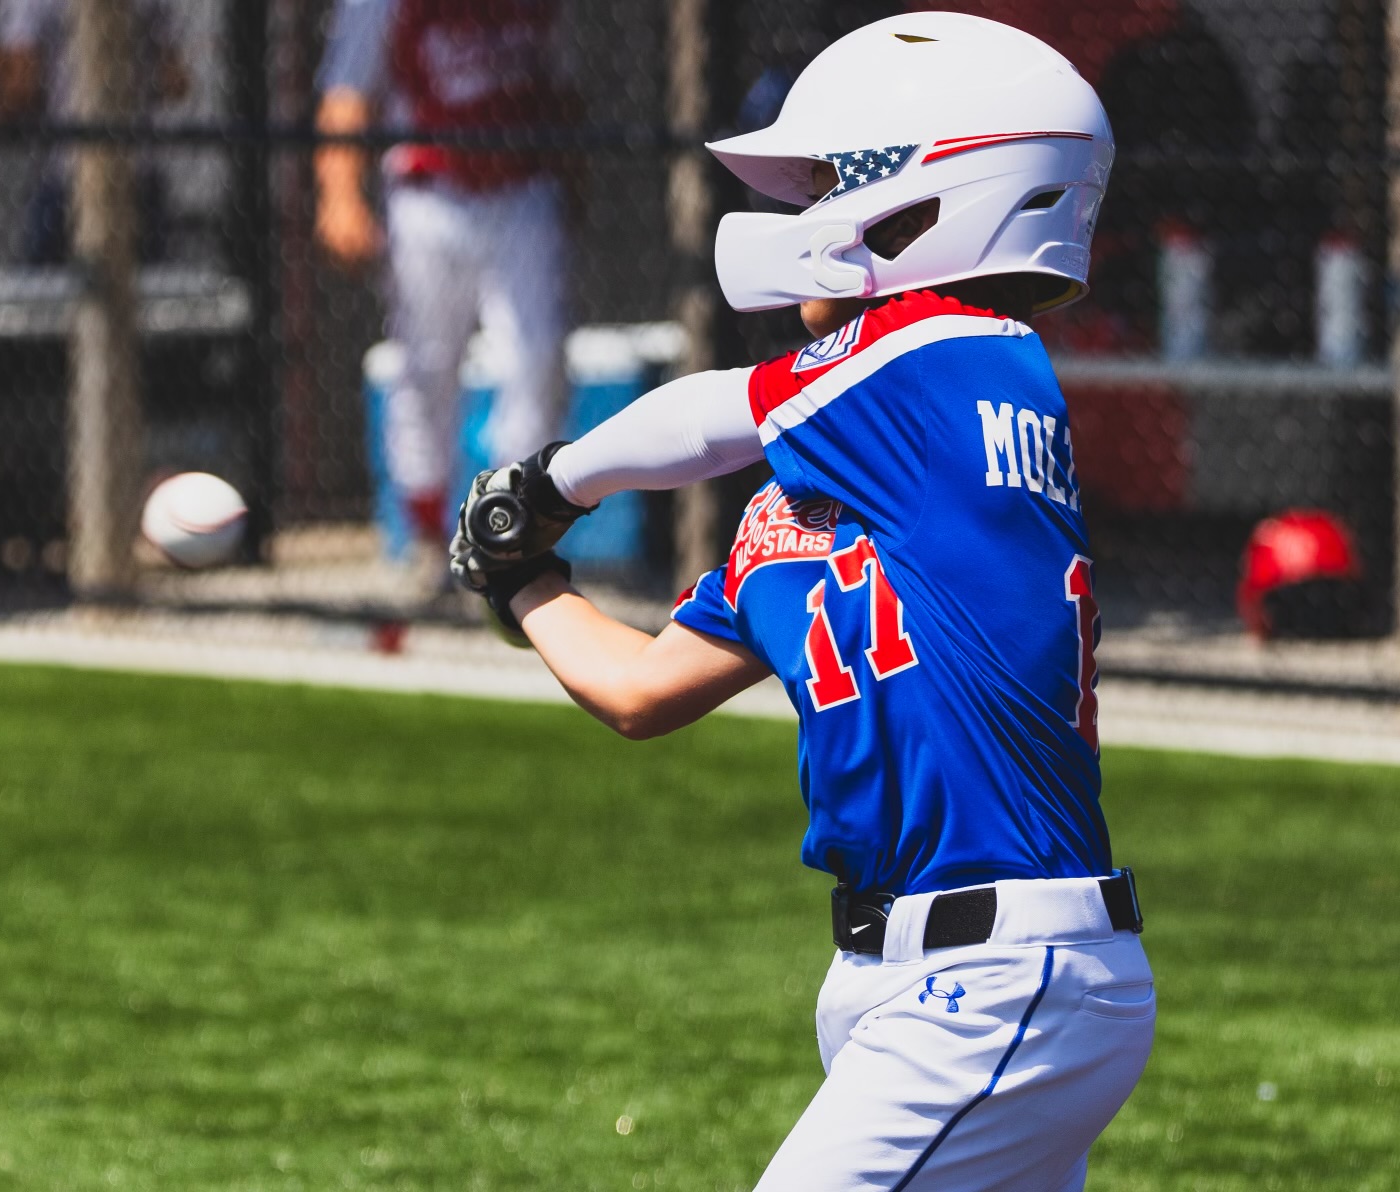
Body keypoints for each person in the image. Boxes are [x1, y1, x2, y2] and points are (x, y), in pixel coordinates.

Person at [450, 15, 1153, 1190]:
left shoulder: (962, 351)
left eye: (834, 179)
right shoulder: (831, 486)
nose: (806, 210)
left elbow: (709, 411)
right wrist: (519, 581)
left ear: (942, 189)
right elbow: (640, 687)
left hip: (997, 970)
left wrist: (545, 485)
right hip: (899, 978)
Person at [315, 0, 580, 551]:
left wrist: (578, 183)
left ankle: (512, 533)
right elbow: (346, 92)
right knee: (426, 366)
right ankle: (430, 542)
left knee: (538, 357)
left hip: (522, 187)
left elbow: (564, 87)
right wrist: (339, 195)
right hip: (428, 191)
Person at [0, 0, 190, 265]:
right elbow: (173, 80)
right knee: (149, 285)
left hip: (68, 173)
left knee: (43, 294)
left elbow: (22, 84)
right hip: (137, 168)